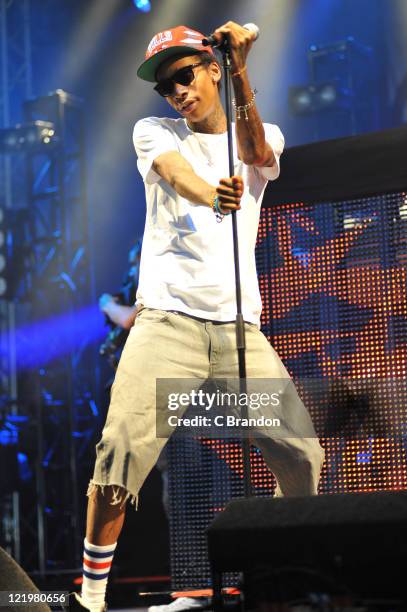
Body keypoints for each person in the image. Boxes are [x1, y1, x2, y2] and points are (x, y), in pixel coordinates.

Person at [69, 22, 325, 612]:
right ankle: (92, 594)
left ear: (211, 69)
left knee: (301, 453)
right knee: (119, 455)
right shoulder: (153, 131)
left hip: (239, 335)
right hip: (167, 327)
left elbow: (260, 155)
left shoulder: (255, 137)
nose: (177, 91)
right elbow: (174, 175)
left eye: (185, 75)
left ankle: (298, 573)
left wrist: (241, 65)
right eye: (166, 85)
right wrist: (213, 194)